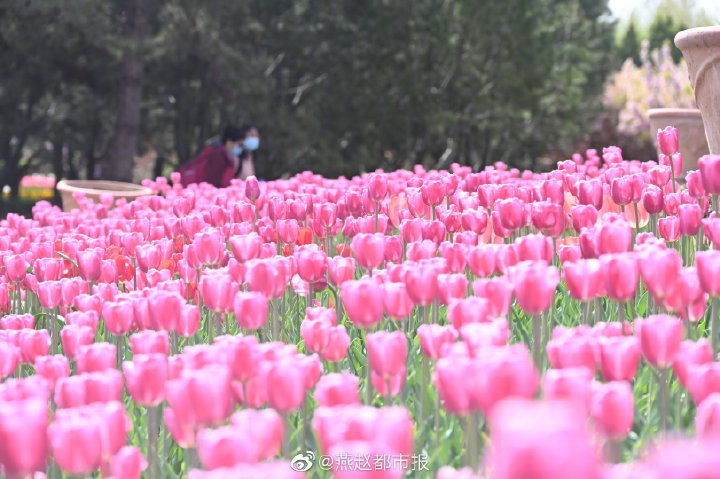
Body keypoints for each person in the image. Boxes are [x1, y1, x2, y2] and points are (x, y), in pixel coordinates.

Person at [178, 125, 244, 187]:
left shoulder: (223, 155)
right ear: (229, 142)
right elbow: (213, 181)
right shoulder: (217, 156)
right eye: (239, 145)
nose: (241, 148)